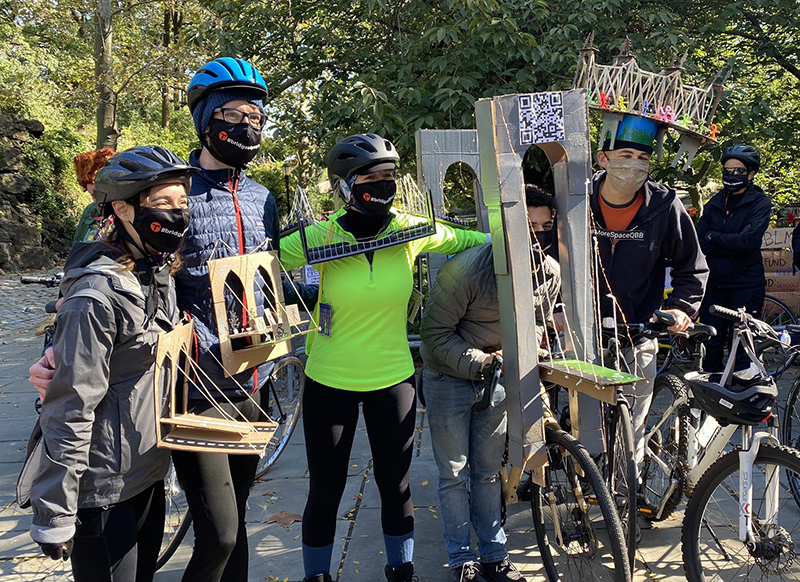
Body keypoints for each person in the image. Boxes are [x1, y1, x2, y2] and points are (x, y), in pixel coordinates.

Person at [28, 56, 316, 582]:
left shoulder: (261, 197)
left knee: (235, 526)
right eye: (232, 113)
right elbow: (105, 275)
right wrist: (54, 352)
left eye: (256, 116)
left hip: (254, 379)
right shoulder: (165, 192)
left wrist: (296, 302)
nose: (246, 125)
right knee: (219, 533)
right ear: (205, 118)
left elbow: (265, 272)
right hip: (187, 385)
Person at [279, 133, 490, 582]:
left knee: (395, 487)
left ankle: (402, 572)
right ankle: (316, 576)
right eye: (371, 177)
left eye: (390, 176)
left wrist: (526, 233)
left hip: (393, 378)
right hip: (329, 379)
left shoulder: (409, 230)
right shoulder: (318, 237)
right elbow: (257, 259)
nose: (383, 185)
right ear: (344, 185)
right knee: (326, 490)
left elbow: (474, 239)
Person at [25, 145, 195, 582]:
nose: (177, 214)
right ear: (122, 208)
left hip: (148, 471)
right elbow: (70, 405)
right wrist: (55, 513)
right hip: (101, 488)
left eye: (183, 202)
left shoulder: (155, 274)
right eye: (162, 203)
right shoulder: (95, 297)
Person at [418, 185, 560, 582]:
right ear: (505, 229)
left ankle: (495, 555)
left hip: (497, 377)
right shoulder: (465, 269)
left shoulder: (548, 272)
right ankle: (461, 558)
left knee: (486, 472)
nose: (537, 236)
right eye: (528, 226)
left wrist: (538, 344)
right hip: (450, 377)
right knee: (454, 474)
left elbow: (535, 321)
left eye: (545, 227)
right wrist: (481, 361)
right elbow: (434, 334)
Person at [580, 114, 708, 521]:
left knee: (631, 425)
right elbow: (546, 251)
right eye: (624, 154)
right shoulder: (575, 198)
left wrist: (682, 309)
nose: (633, 164)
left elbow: (692, 267)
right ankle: (585, 479)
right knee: (587, 423)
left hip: (639, 332)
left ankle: (623, 499)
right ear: (603, 158)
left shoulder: (665, 206)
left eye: (642, 157)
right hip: (582, 333)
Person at [696, 145, 771, 372]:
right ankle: (709, 397)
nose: (732, 176)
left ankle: (741, 399)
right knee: (711, 343)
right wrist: (730, 241)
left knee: (742, 348)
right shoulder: (714, 203)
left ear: (751, 174)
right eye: (727, 171)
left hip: (745, 285)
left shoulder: (760, 203)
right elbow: (701, 241)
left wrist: (714, 237)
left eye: (738, 171)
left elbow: (747, 242)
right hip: (714, 285)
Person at [72, 147, 116, 243]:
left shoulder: (128, 213)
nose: (96, 201)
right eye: (92, 195)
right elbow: (76, 247)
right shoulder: (90, 211)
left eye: (100, 195)